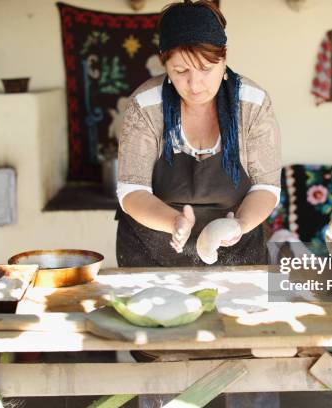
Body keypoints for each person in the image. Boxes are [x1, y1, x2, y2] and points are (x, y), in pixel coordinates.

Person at [116, 1, 282, 406]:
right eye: (180, 71)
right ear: (163, 65)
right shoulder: (146, 106)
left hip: (236, 257)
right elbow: (131, 191)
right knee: (166, 373)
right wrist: (174, 221)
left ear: (224, 59)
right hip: (154, 257)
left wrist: (238, 225)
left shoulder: (251, 104)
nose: (195, 84)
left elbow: (266, 187)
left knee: (241, 362)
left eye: (207, 69)